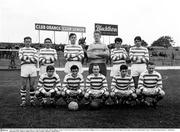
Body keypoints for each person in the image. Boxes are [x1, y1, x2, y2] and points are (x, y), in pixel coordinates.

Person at [18, 36, 38, 106]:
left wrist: (26, 57)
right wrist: (30, 58)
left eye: (29, 41)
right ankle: (23, 101)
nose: (28, 43)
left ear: (31, 42)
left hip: (32, 67)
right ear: (24, 42)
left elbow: (35, 59)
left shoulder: (34, 50)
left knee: (32, 86)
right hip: (24, 67)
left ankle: (32, 101)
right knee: (23, 86)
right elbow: (21, 58)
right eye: (26, 41)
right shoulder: (21, 49)